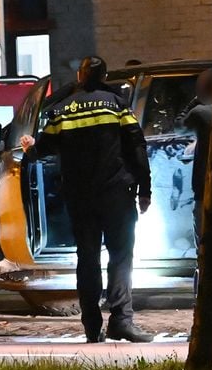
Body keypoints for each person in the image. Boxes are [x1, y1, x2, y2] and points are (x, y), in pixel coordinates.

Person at [19, 56, 155, 343]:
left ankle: (92, 327)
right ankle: (122, 320)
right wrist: (145, 189)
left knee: (88, 259)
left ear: (79, 76)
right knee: (120, 256)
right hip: (116, 194)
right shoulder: (116, 104)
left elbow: (44, 149)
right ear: (104, 75)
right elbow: (137, 145)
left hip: (80, 197)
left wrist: (30, 148)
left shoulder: (63, 110)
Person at [183, 67, 212, 241]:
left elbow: (179, 126)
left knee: (204, 242)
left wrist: (196, 100)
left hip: (205, 189)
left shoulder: (200, 112)